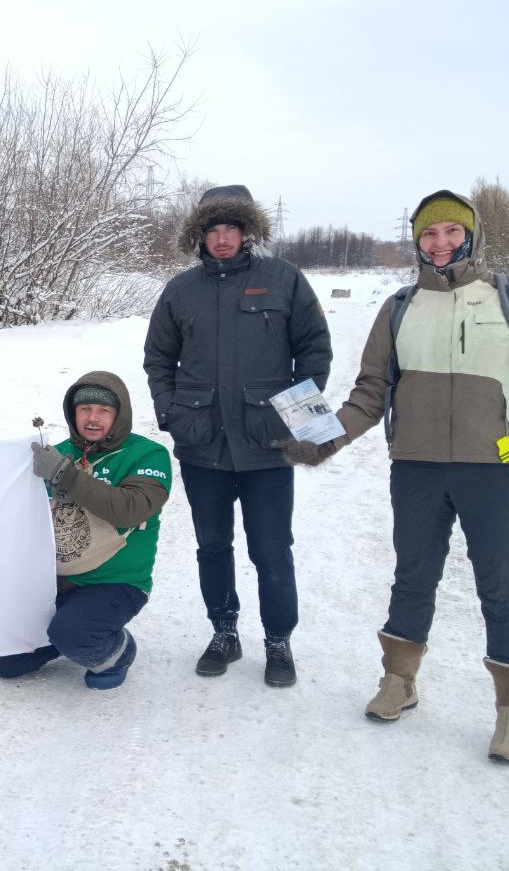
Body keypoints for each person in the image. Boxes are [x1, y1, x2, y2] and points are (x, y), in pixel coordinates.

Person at [281, 189, 509, 763]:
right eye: (429, 235)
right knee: (413, 578)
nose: (440, 243)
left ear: (471, 235)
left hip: (497, 468)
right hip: (415, 467)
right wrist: (321, 440)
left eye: (451, 233)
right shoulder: (399, 307)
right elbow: (369, 392)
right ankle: (399, 681)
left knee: (503, 590)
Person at [143, 184, 331, 687]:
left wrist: (298, 421)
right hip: (202, 444)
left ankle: (278, 641)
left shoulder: (284, 279)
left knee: (271, 548)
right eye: (212, 230)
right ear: (199, 236)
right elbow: (158, 359)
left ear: (247, 232)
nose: (221, 239)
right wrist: (172, 413)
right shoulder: (181, 291)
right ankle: (224, 632)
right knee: (212, 545)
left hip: (267, 445)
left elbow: (313, 352)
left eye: (231, 228)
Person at [0, 372, 170, 690]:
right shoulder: (58, 453)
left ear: (120, 414)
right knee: (3, 660)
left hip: (116, 584)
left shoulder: (147, 454)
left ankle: (118, 650)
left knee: (73, 633)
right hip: (58, 581)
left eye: (104, 411)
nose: (93, 418)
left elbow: (132, 507)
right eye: (85, 409)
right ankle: (68, 635)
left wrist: (65, 475)